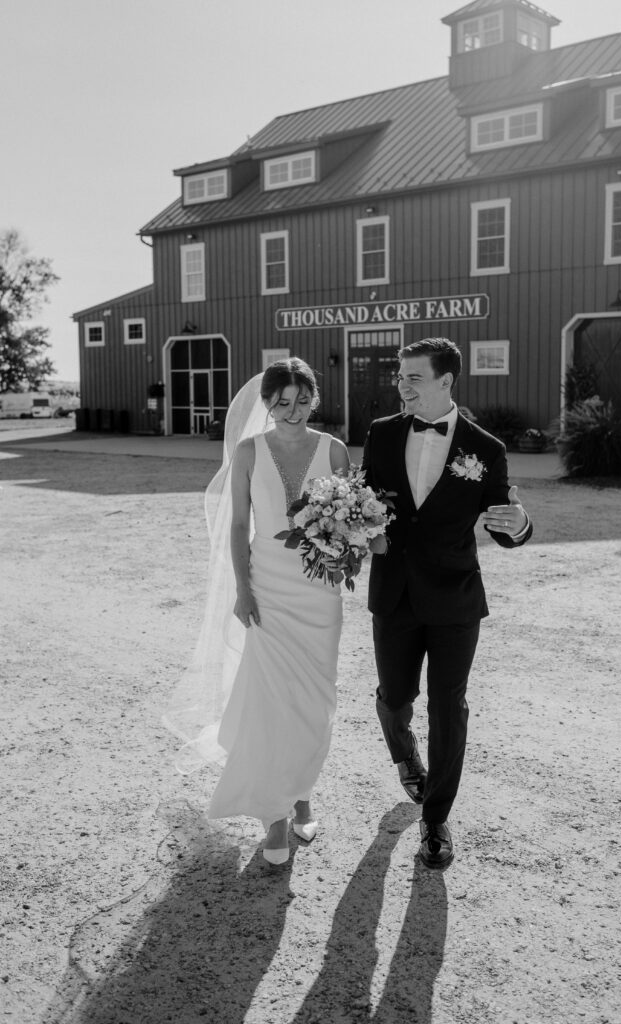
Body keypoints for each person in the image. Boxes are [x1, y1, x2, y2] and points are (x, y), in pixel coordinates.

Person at [163, 358, 349, 864]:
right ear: (267, 404)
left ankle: (303, 793)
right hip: (267, 591)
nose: (292, 411)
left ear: (315, 398)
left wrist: (347, 549)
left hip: (320, 595)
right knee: (273, 704)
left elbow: (352, 526)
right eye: (281, 402)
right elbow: (237, 527)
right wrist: (243, 591)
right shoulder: (249, 451)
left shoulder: (334, 451)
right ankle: (276, 819)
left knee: (314, 705)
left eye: (302, 400)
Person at [362, 337, 532, 870]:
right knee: (395, 696)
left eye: (413, 376)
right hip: (394, 595)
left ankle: (436, 820)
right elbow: (367, 502)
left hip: (455, 599)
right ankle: (403, 748)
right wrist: (359, 531)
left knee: (448, 706)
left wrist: (520, 526)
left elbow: (507, 526)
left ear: (445, 381)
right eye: (400, 375)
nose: (401, 384)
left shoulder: (486, 450)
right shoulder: (382, 434)